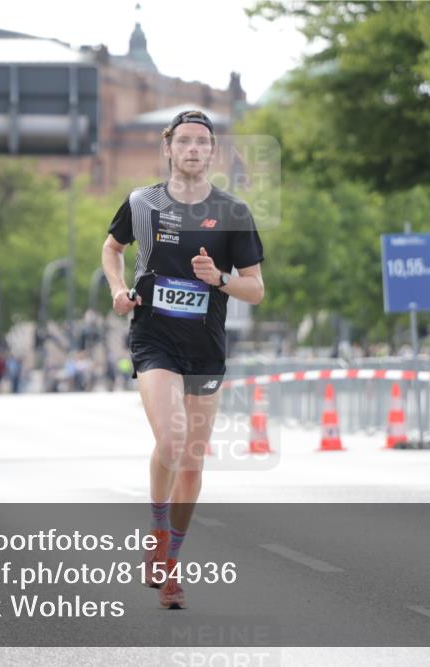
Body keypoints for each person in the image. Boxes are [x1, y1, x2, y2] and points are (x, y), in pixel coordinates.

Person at [101, 109, 265, 609]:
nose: (194, 150)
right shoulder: (142, 202)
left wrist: (217, 278)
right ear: (169, 149)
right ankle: (159, 541)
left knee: (191, 458)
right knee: (170, 440)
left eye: (203, 143)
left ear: (211, 153)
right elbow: (111, 249)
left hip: (205, 345)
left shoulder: (233, 212)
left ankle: (172, 555)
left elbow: (255, 290)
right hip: (153, 337)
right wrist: (117, 290)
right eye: (185, 142)